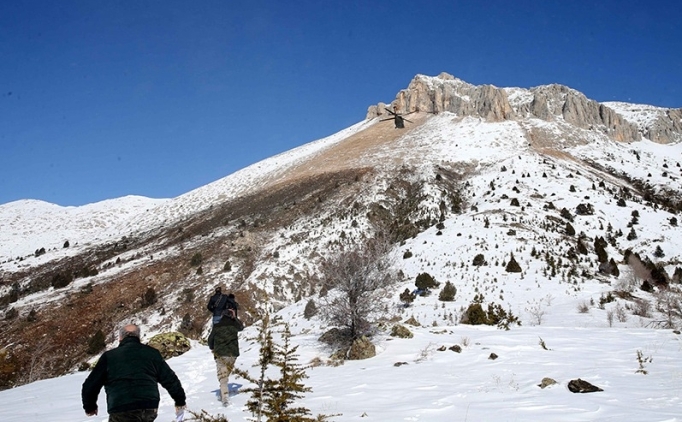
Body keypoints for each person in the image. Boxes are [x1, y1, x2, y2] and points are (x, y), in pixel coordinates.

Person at [81, 324, 187, 422]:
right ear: (138, 337)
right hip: (149, 406)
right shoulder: (152, 354)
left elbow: (90, 384)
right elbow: (169, 379)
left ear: (120, 338)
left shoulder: (109, 357)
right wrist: (180, 400)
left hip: (121, 407)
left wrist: (90, 407)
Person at [207, 307, 244, 406]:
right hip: (233, 354)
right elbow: (241, 327)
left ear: (222, 315)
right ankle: (224, 391)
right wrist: (235, 317)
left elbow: (210, 340)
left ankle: (225, 398)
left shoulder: (217, 326)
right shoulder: (234, 326)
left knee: (223, 376)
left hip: (220, 354)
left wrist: (212, 347)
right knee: (226, 374)